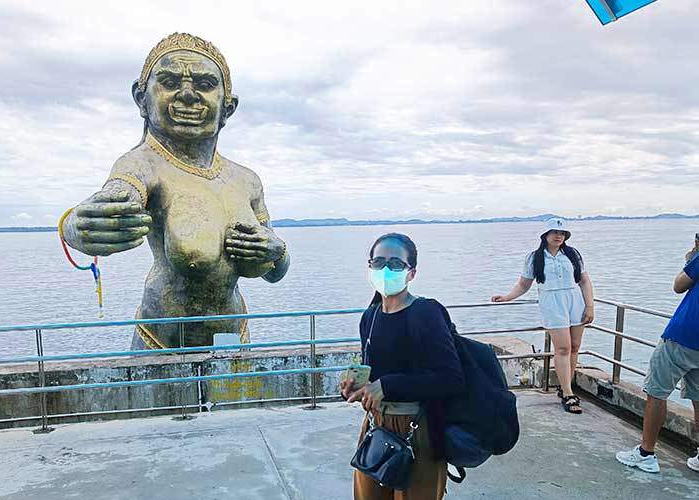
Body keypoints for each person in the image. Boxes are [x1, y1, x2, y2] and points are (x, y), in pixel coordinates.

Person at [61, 33, 290, 348]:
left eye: (205, 85)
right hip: (162, 345)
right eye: (168, 82)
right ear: (142, 99)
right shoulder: (143, 165)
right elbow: (117, 195)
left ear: (228, 106)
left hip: (233, 342)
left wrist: (276, 251)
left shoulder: (246, 180)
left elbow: (275, 272)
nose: (187, 94)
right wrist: (77, 225)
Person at [341, 233, 465, 499]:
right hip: (376, 427)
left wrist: (387, 385)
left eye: (396, 264)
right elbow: (375, 373)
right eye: (379, 262)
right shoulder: (370, 316)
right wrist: (357, 388)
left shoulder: (427, 312)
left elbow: (451, 379)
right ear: (370, 266)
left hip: (418, 430)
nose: (386, 270)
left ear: (412, 273)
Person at [492, 218, 595, 414]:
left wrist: (590, 306)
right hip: (552, 303)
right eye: (555, 232)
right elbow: (524, 284)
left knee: (574, 347)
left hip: (575, 300)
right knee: (562, 347)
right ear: (545, 235)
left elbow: (584, 280)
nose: (559, 236)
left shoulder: (572, 254)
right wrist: (507, 297)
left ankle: (567, 386)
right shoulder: (535, 258)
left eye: (562, 233)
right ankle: (567, 393)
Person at [616, 245, 699, 474]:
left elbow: (678, 285)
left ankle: (646, 453)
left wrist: (692, 258)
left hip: (683, 335)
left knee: (657, 392)